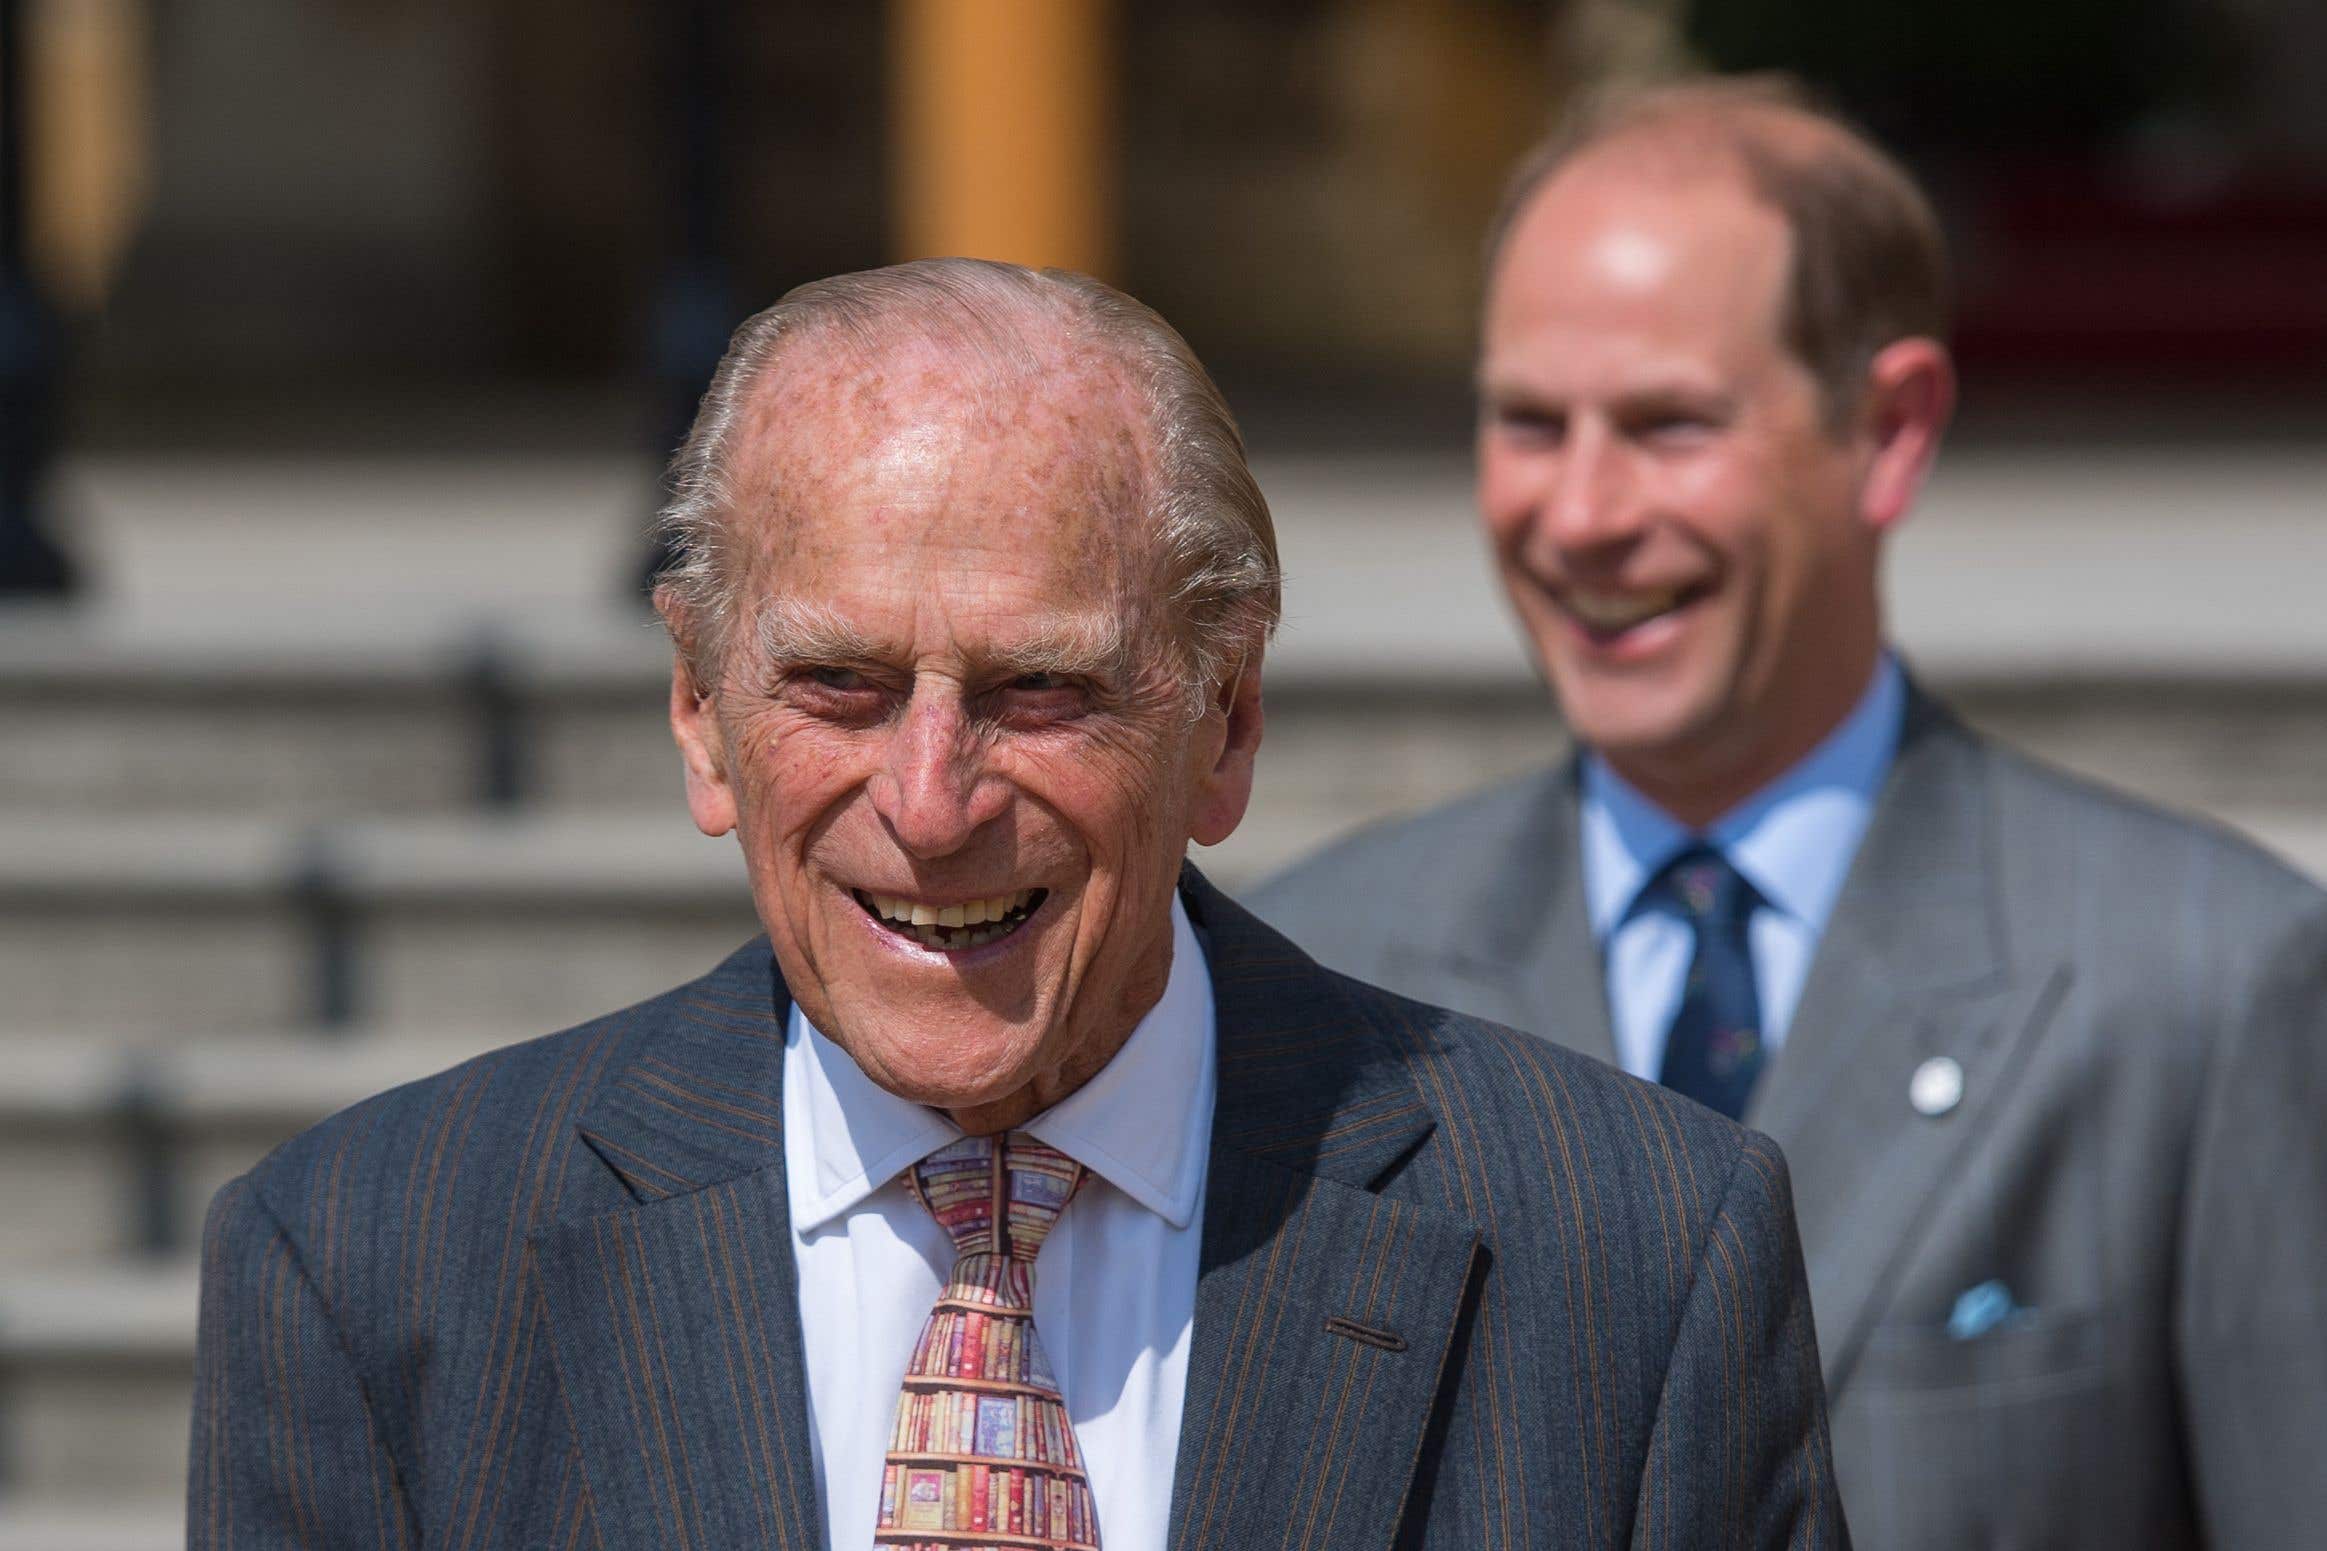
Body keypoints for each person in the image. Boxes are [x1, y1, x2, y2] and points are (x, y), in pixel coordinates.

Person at [187, 259, 1848, 1548]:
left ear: (1228, 722)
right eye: (834, 683)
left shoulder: (1629, 1259)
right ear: (699, 716)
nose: (929, 801)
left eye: (1038, 689)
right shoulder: (374, 1275)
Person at [1253, 79, 2327, 1549]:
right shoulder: (1323, 971)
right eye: (1526, 421)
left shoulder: (2206, 981)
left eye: (1667, 424)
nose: (1579, 512)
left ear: (1890, 432)